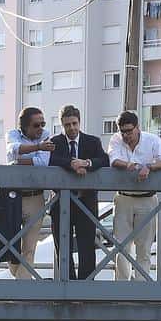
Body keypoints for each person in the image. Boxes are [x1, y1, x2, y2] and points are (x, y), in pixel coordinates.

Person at [107, 110, 161, 280]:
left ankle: (141, 287)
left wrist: (149, 167)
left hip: (147, 198)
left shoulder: (152, 140)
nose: (126, 135)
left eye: (129, 131)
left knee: (144, 247)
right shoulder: (116, 139)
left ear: (138, 128)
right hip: (124, 198)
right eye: (123, 132)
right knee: (120, 247)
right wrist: (132, 165)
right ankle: (121, 289)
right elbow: (113, 159)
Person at [49, 105, 110, 280]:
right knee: (62, 245)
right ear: (62, 124)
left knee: (87, 245)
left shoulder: (92, 141)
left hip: (86, 201)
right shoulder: (55, 142)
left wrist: (87, 163)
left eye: (75, 123)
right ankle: (66, 284)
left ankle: (85, 287)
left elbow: (104, 159)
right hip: (61, 202)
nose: (72, 128)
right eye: (67, 125)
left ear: (80, 122)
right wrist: (72, 164)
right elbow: (50, 159)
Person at [4, 106, 54, 278]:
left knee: (30, 248)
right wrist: (38, 147)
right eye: (36, 125)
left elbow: (43, 162)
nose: (40, 128)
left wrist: (21, 160)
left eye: (42, 124)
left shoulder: (46, 134)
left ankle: (21, 290)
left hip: (36, 197)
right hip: (14, 197)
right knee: (10, 245)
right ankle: (21, 284)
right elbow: (12, 151)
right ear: (24, 127)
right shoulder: (13, 134)